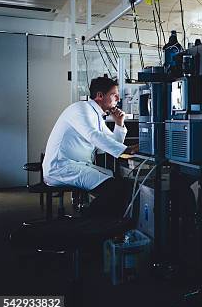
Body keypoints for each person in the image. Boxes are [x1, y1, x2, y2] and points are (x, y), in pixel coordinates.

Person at [42, 76, 138, 217]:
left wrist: (119, 123)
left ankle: (103, 223)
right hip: (61, 167)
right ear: (100, 96)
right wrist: (127, 150)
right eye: (114, 95)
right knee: (114, 189)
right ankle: (88, 227)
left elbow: (113, 143)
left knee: (116, 181)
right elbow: (94, 136)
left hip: (75, 165)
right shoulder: (81, 108)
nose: (118, 98)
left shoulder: (96, 115)